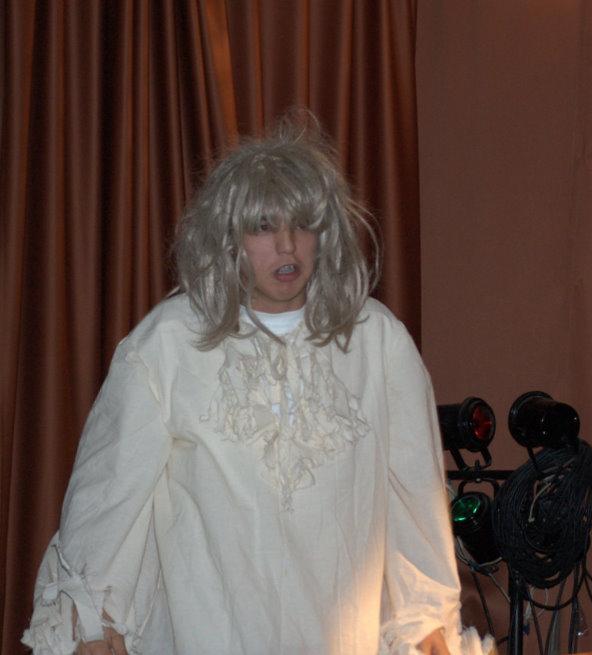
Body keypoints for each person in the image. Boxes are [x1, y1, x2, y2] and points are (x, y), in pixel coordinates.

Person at [23, 113, 494, 655]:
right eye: (264, 226)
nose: (288, 246)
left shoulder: (377, 342)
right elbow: (110, 495)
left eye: (303, 224)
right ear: (228, 238)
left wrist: (425, 619)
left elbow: (414, 497)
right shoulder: (166, 345)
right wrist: (93, 620)